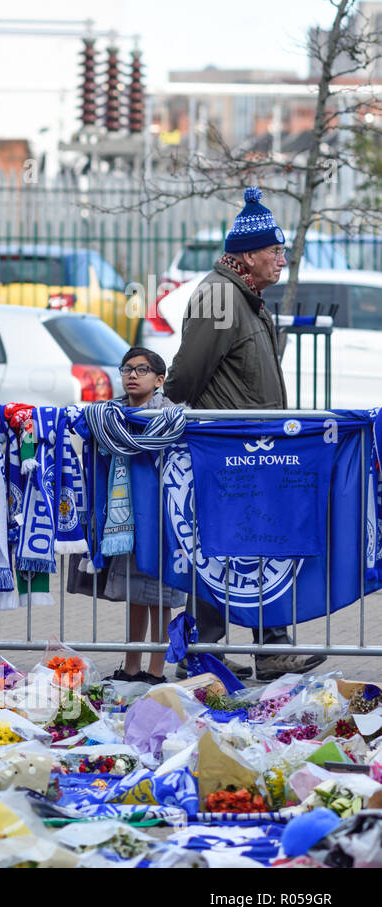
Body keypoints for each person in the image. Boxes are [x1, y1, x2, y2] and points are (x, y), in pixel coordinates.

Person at [163, 187, 324, 681]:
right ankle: (206, 651)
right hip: (229, 452)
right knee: (224, 552)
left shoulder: (245, 297)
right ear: (248, 256)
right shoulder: (219, 296)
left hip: (254, 452)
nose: (282, 260)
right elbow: (185, 377)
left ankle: (264, 647)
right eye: (276, 252)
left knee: (258, 548)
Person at [91, 348, 189, 685]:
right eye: (127, 369)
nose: (132, 375)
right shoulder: (111, 416)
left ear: (159, 380)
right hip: (127, 514)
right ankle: (131, 668)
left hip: (162, 517)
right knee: (135, 595)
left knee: (161, 597)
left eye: (142, 370)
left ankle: (156, 671)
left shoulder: (173, 417)